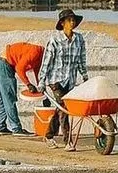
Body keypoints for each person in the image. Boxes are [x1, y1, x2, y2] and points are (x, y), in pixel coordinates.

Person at [37, 9, 89, 151]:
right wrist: (41, 81)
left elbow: (80, 60)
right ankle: (68, 142)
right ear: (62, 23)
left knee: (60, 108)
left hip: (70, 80)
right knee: (64, 108)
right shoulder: (55, 40)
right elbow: (46, 62)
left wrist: (85, 76)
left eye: (73, 20)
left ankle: (48, 135)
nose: (72, 22)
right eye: (69, 20)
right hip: (56, 80)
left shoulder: (79, 39)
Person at [0, 42, 43, 136]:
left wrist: (42, 93)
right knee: (9, 98)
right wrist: (28, 84)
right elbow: (19, 68)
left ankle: (1, 126)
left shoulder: (39, 57)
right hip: (5, 65)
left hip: (2, 64)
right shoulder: (36, 52)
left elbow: (37, 74)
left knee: (3, 99)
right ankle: (16, 128)